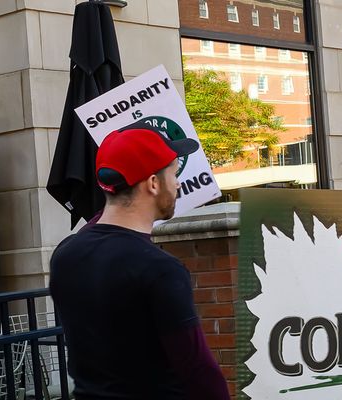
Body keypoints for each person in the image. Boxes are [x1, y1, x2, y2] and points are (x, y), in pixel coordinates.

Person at [49, 128, 228, 399]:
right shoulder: (161, 270)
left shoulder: (65, 255)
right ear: (154, 183)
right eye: (174, 173)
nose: (179, 184)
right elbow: (198, 371)